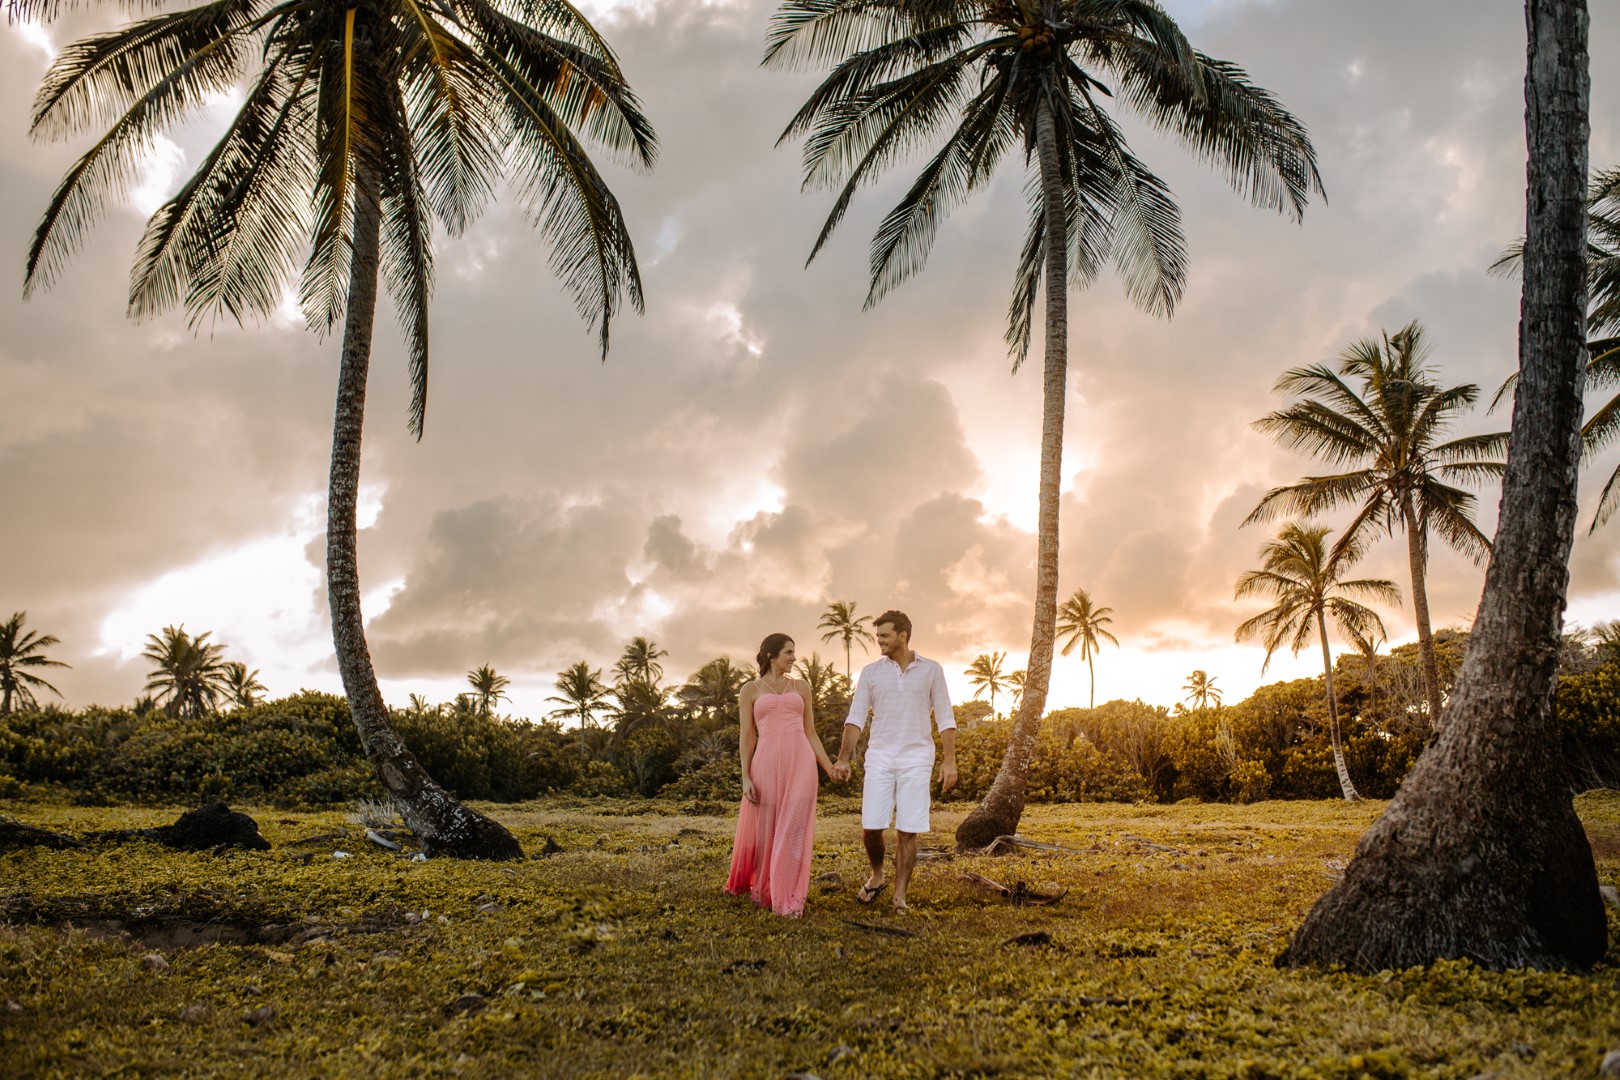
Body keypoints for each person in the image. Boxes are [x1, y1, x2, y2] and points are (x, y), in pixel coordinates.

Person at [831, 609, 957, 911]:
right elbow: (856, 717)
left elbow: (945, 716)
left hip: (917, 757)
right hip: (880, 757)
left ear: (903, 636)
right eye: (878, 637)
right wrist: (843, 758)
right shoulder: (871, 673)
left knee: (908, 828)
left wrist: (949, 760)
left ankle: (900, 895)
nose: (880, 642)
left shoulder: (932, 670)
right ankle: (877, 875)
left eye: (885, 636)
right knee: (872, 826)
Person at [725, 633, 838, 916]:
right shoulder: (750, 690)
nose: (794, 658)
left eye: (794, 652)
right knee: (767, 829)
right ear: (772, 655)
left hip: (800, 762)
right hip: (764, 763)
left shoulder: (801, 687)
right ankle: (764, 888)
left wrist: (830, 767)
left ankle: (788, 893)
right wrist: (745, 777)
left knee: (793, 828)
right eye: (789, 652)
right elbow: (747, 736)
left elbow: (811, 733)